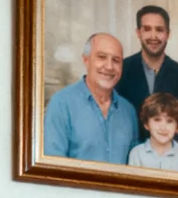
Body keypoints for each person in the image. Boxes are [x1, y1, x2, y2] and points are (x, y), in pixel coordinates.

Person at [42, 33, 139, 164]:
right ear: (86, 60)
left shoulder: (128, 111)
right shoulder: (61, 104)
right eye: (101, 57)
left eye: (116, 60)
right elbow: (52, 166)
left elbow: (134, 167)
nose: (109, 66)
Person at [114, 6, 178, 142]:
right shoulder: (121, 70)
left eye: (159, 30)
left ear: (168, 34)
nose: (153, 36)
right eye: (147, 29)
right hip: (129, 158)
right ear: (138, 32)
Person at [129, 93, 178, 174]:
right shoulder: (137, 153)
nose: (163, 127)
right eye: (157, 120)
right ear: (146, 124)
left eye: (169, 121)